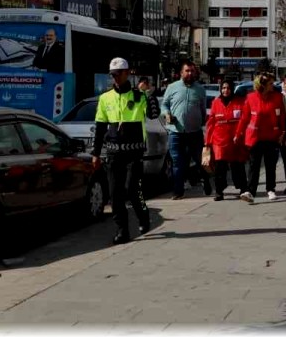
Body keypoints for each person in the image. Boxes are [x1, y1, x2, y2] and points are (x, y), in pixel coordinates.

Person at [92, 57, 155, 244]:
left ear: (127, 73)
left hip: (134, 153)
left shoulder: (139, 96)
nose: (116, 78)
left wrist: (148, 95)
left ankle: (144, 217)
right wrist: (96, 153)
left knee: (133, 190)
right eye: (113, 75)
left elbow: (153, 114)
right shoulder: (105, 98)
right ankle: (122, 231)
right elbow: (100, 127)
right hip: (113, 153)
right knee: (115, 194)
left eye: (119, 74)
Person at [161, 61, 210, 200]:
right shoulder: (172, 87)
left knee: (201, 161)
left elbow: (202, 109)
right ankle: (178, 191)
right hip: (176, 132)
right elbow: (164, 105)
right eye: (187, 71)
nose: (190, 73)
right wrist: (166, 114)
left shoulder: (200, 89)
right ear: (181, 73)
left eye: (192, 71)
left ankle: (206, 181)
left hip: (194, 133)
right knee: (178, 163)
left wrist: (202, 124)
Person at [238, 66, 286, 202]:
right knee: (254, 166)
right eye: (270, 83)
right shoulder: (250, 98)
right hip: (255, 138)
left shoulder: (277, 97)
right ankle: (250, 192)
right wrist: (238, 134)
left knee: (271, 165)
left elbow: (282, 116)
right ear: (263, 85)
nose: (273, 85)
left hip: (272, 137)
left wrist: (283, 132)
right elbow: (244, 118)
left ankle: (271, 189)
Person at [205, 79, 251, 202]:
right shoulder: (216, 102)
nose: (226, 90)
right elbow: (211, 123)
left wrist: (240, 134)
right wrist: (207, 141)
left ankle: (243, 188)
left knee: (238, 165)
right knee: (220, 167)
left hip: (236, 139)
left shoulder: (240, 102)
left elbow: (244, 120)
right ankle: (219, 191)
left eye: (228, 88)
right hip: (219, 139)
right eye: (224, 88)